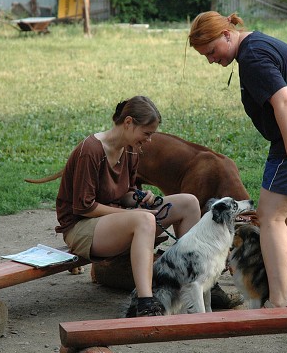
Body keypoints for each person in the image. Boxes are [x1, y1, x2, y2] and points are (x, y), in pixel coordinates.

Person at [189, 11, 287, 308]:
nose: (210, 60)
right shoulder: (256, 45)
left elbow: (285, 103)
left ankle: (278, 302)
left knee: (271, 217)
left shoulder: (253, 58)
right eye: (204, 56)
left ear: (226, 34)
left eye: (211, 51)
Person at [55, 96, 201, 316]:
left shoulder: (131, 149)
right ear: (129, 122)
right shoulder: (91, 150)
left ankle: (191, 286)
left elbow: (125, 193)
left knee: (188, 202)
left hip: (114, 223)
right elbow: (84, 207)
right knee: (144, 219)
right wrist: (132, 213)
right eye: (147, 133)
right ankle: (145, 303)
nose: (149, 140)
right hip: (81, 229)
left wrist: (139, 197)